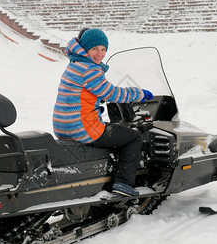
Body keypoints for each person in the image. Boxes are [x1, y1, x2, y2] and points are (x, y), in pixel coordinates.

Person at [53, 28, 154, 196]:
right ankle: (123, 183)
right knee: (133, 137)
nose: (100, 54)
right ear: (86, 48)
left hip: (63, 125)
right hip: (81, 127)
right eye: (95, 49)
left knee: (113, 131)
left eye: (103, 49)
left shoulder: (75, 64)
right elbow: (112, 93)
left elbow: (87, 93)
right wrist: (140, 93)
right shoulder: (90, 69)